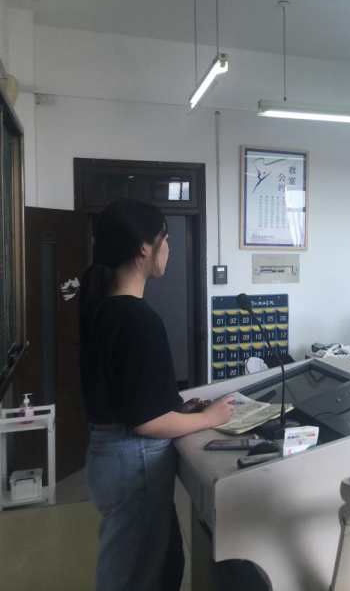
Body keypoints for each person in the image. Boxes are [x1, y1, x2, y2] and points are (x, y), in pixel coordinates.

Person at [80, 199, 234, 591]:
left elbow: (130, 396)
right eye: (164, 238)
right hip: (132, 461)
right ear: (144, 248)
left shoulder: (103, 309)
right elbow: (146, 422)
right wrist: (210, 418)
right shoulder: (138, 318)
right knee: (135, 577)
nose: (168, 247)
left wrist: (179, 408)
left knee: (162, 563)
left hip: (110, 455)